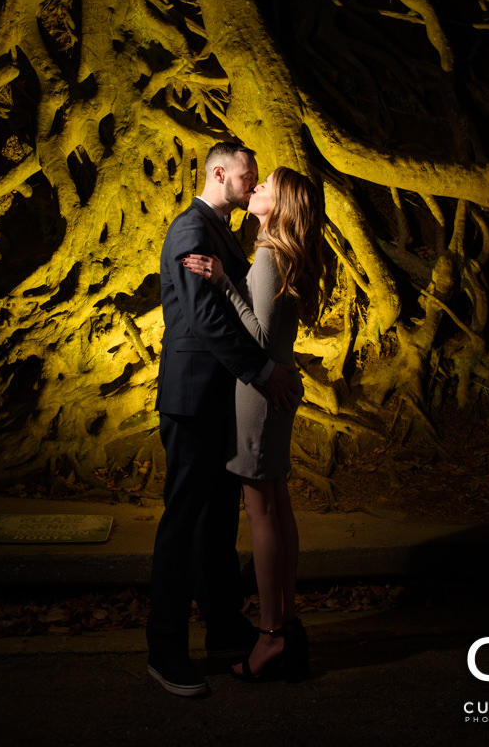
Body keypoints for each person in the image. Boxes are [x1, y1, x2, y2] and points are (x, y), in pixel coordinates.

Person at [146, 143, 301, 698]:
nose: (252, 182)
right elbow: (208, 319)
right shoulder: (190, 231)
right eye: (246, 174)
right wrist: (263, 370)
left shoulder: (226, 234)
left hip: (221, 400)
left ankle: (223, 629)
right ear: (219, 172)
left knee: (216, 524)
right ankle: (165, 649)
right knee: (183, 523)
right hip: (191, 399)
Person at [182, 166, 328, 683]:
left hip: (259, 392)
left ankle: (270, 636)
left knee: (261, 510)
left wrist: (223, 281)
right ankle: (286, 622)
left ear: (282, 203)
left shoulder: (269, 255)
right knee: (277, 506)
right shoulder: (290, 255)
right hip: (275, 390)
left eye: (265, 185)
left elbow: (259, 337)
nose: (256, 189)